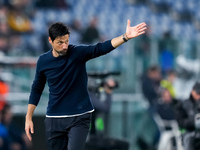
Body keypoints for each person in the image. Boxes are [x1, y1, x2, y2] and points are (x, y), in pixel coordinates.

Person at [25, 20, 147, 150]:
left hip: (79, 116)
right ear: (50, 40)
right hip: (54, 118)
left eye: (66, 41)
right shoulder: (43, 61)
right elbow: (36, 89)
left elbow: (100, 48)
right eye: (60, 42)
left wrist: (125, 37)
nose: (65, 46)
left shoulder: (77, 53)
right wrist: (28, 117)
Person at [175, 82, 200, 150]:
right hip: (189, 132)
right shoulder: (183, 105)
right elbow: (180, 122)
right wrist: (194, 122)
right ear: (192, 91)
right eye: (197, 93)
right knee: (189, 139)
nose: (199, 96)